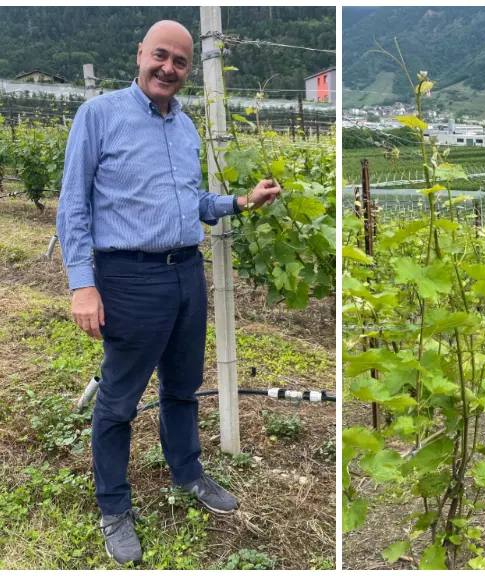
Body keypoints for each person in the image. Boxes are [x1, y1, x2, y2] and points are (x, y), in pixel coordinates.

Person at [56, 20, 280, 566]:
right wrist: (83, 285)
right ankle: (113, 507)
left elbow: (190, 203)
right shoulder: (100, 116)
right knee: (119, 400)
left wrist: (240, 203)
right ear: (140, 54)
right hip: (128, 277)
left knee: (183, 385)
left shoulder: (185, 129)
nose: (169, 69)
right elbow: (73, 207)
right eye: (161, 56)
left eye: (181, 62)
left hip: (186, 273)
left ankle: (187, 473)